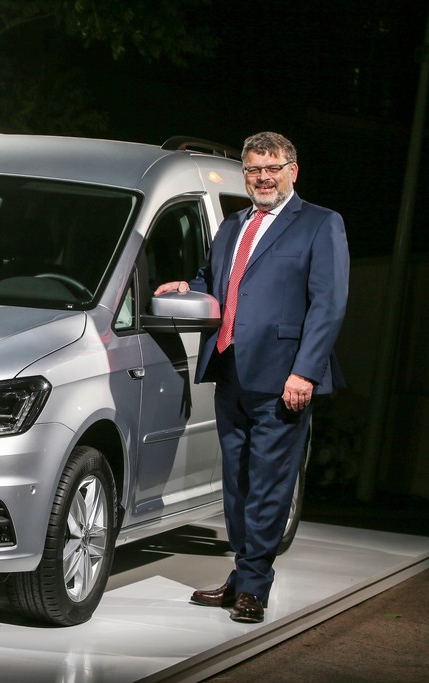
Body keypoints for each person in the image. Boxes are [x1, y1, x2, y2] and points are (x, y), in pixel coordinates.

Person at [154, 131, 349, 624]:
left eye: (272, 168)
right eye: (254, 170)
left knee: (268, 484)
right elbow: (217, 279)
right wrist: (189, 285)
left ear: (292, 171)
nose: (263, 178)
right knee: (237, 484)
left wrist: (305, 371)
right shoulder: (233, 225)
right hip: (230, 371)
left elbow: (328, 305)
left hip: (284, 379)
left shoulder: (320, 224)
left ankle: (255, 586)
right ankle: (241, 576)